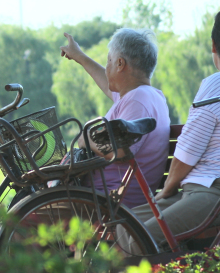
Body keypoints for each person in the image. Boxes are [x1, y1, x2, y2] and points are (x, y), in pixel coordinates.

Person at [120, 7, 220, 254]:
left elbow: (186, 153)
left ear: (214, 46)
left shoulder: (216, 85)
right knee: (125, 222)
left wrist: (168, 189)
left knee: (139, 237)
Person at [59, 28, 170, 208]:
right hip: (109, 193)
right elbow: (107, 85)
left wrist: (86, 139)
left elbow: (120, 152)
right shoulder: (144, 95)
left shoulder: (138, 100)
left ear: (120, 64)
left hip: (110, 199)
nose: (107, 67)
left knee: (30, 215)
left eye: (109, 61)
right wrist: (78, 56)